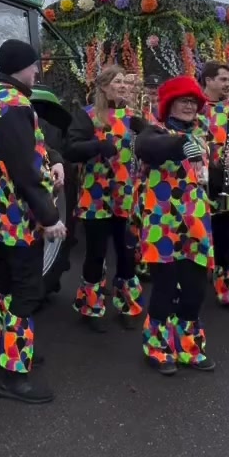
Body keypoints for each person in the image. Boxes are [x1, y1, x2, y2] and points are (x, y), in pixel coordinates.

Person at [0, 38, 65, 403]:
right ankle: (13, 376)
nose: (37, 71)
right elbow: (24, 169)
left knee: (2, 286)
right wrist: (50, 216)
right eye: (34, 65)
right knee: (25, 292)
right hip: (19, 217)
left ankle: (2, 354)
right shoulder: (16, 106)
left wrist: (53, 156)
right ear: (22, 66)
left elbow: (27, 150)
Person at [135, 75, 215, 373]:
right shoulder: (153, 130)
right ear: (169, 104)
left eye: (193, 102)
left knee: (195, 289)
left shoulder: (203, 134)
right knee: (165, 288)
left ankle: (188, 346)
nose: (189, 107)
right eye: (183, 101)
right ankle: (156, 347)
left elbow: (208, 176)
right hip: (162, 224)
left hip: (196, 223)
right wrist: (180, 142)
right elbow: (149, 147)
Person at [65, 64, 144, 331]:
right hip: (96, 195)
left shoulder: (135, 116)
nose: (122, 86)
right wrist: (96, 146)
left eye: (125, 81)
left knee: (126, 253)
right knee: (96, 253)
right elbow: (71, 149)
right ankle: (91, 307)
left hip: (126, 195)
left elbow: (151, 144)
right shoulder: (88, 115)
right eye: (116, 81)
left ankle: (127, 305)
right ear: (103, 86)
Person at [198, 61, 229, 315]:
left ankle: (228, 290)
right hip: (200, 181)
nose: (228, 84)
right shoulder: (194, 107)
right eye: (223, 79)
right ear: (208, 80)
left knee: (228, 235)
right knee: (196, 234)